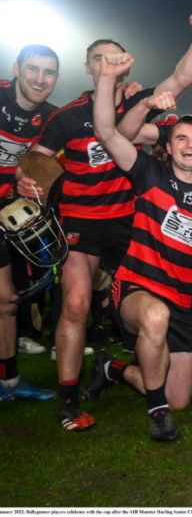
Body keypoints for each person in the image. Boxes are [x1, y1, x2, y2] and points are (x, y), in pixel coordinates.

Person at [18, 10, 192, 431]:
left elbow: (181, 78)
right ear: (88, 68)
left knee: (155, 306)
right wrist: (28, 180)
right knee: (74, 304)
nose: (107, 65)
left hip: (131, 223)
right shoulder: (68, 117)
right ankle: (69, 399)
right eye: (99, 60)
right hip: (83, 221)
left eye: (115, 58)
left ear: (127, 64)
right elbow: (35, 160)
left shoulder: (137, 105)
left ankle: (132, 372)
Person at [93, 52, 192, 441]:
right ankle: (157, 415)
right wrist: (108, 80)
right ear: (170, 146)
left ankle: (112, 369)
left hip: (181, 304)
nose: (190, 146)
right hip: (135, 291)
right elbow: (108, 133)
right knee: (154, 317)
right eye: (182, 139)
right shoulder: (149, 175)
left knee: (180, 398)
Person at [0, 44, 59, 401]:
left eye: (49, 72)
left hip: (7, 210)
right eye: (33, 69)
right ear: (17, 69)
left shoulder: (51, 118)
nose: (40, 79)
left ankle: (8, 382)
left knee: (7, 301)